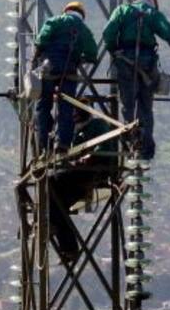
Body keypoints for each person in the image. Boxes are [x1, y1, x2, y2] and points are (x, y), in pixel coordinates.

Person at [102, 0, 170, 162]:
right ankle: (146, 148)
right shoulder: (153, 14)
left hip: (125, 61)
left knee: (128, 103)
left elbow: (108, 33)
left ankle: (130, 140)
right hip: (147, 64)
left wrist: (114, 50)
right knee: (146, 106)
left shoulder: (123, 10)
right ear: (152, 2)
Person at [48, 107, 119, 262]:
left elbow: (104, 146)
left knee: (50, 184)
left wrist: (87, 158)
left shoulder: (97, 125)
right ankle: (69, 247)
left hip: (93, 171)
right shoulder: (73, 131)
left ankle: (64, 241)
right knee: (58, 206)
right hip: (81, 174)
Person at [32, 0, 97, 155]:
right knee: (66, 108)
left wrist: (37, 57)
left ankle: (43, 143)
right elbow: (92, 52)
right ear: (81, 15)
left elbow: (41, 40)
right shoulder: (84, 29)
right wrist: (83, 58)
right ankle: (63, 144)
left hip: (48, 69)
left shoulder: (54, 21)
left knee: (44, 106)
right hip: (69, 72)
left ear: (66, 10)